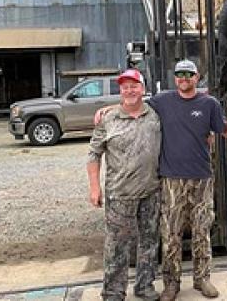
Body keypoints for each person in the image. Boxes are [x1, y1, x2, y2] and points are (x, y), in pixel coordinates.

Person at [94, 59, 227, 301]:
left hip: (202, 178)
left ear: (197, 77)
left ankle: (203, 279)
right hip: (171, 181)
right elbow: (133, 102)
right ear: (175, 78)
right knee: (171, 234)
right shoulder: (162, 101)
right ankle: (171, 283)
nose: (184, 78)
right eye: (180, 74)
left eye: (189, 74)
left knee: (203, 231)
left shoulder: (209, 104)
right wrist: (109, 109)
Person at [87, 69, 162, 301]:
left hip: (151, 191)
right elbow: (93, 154)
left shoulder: (156, 115)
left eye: (134, 85)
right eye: (125, 87)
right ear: (120, 91)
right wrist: (94, 188)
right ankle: (113, 291)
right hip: (119, 195)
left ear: (143, 89)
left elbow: (185, 99)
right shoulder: (108, 120)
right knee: (117, 246)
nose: (129, 90)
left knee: (149, 242)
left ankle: (145, 286)